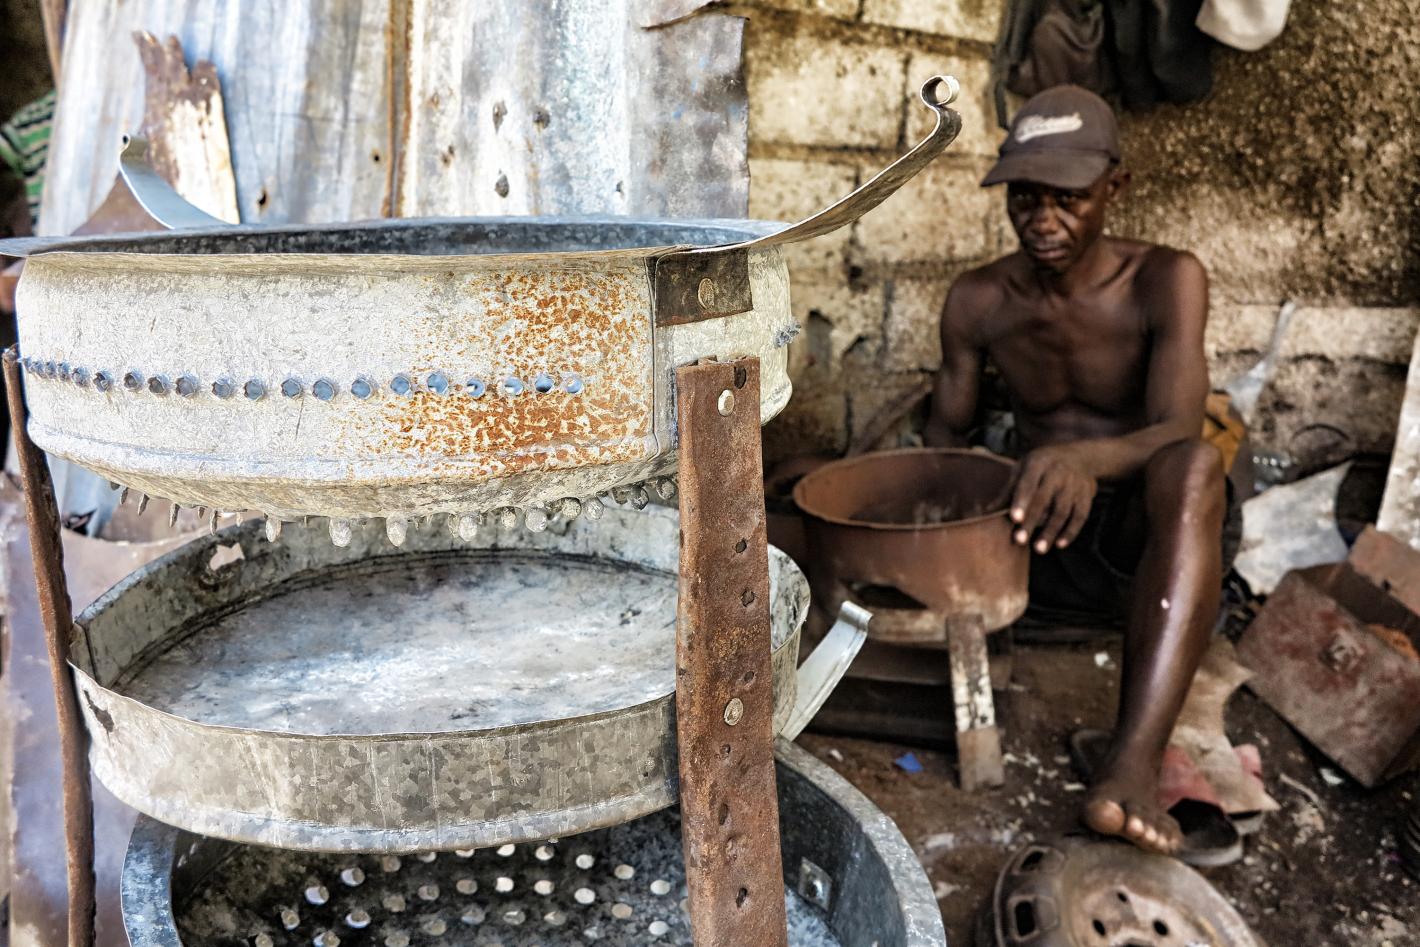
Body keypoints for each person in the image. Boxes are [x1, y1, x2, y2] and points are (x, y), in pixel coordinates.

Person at [924, 85, 1226, 855]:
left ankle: (1131, 768)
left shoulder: (1165, 280)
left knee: (1196, 465)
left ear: (1114, 188)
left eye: (1068, 199)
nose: (1043, 220)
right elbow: (943, 447)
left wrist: (1081, 458)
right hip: (1039, 542)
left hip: (1143, 546)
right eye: (1025, 199)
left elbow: (1178, 428)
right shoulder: (978, 300)